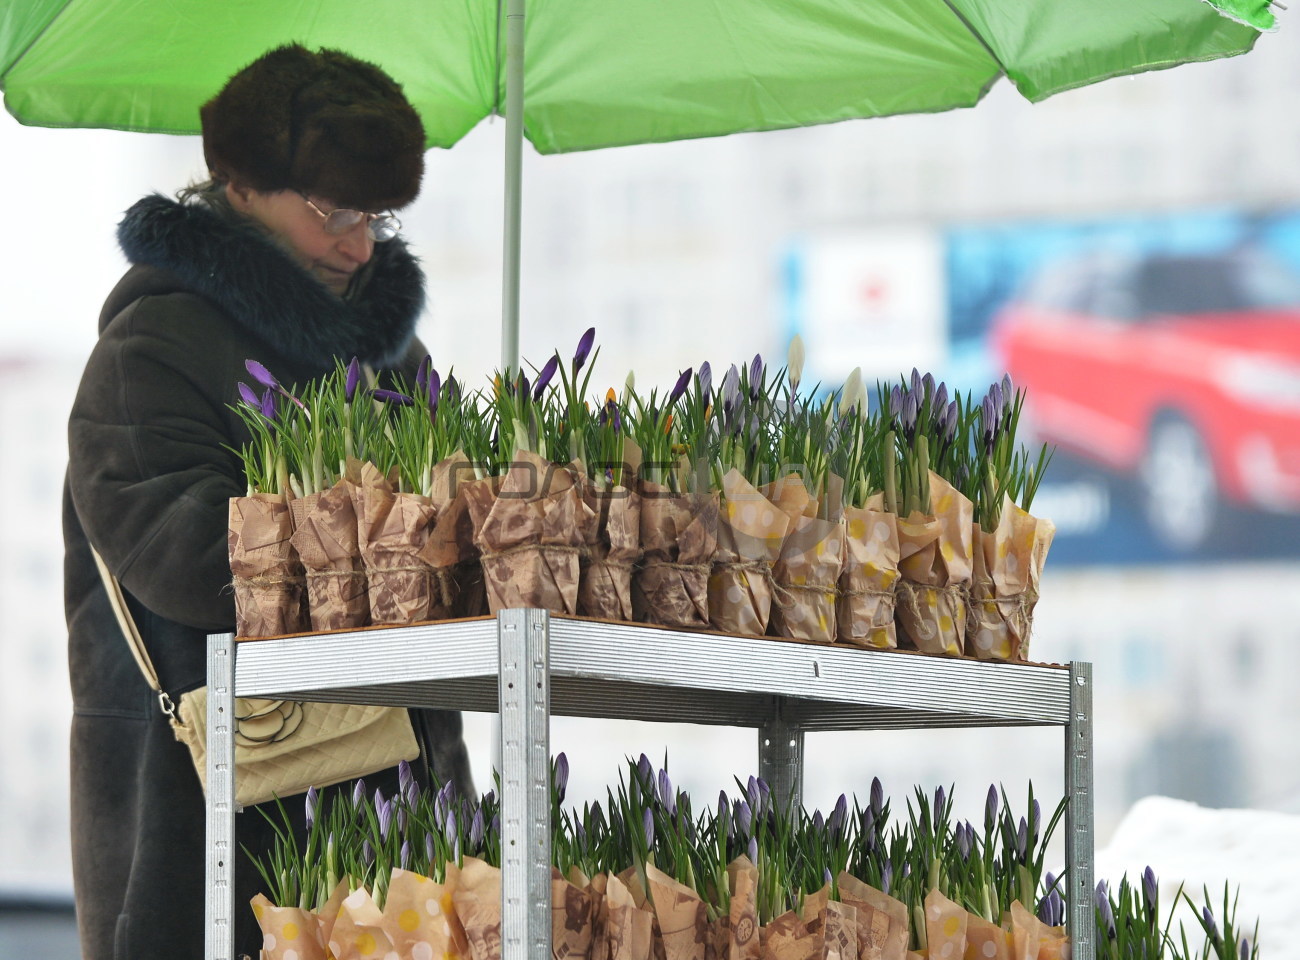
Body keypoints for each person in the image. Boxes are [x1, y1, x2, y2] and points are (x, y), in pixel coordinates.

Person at [63, 44, 473, 960]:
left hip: (398, 838)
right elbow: (189, 562)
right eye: (332, 212)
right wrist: (393, 539)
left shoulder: (392, 362)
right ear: (239, 185)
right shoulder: (151, 350)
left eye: (377, 216)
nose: (359, 244)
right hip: (204, 843)